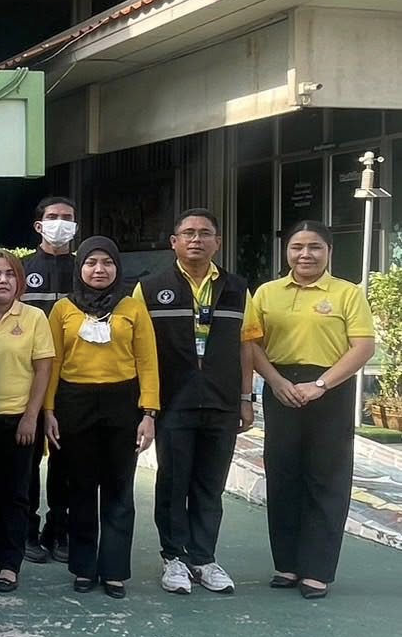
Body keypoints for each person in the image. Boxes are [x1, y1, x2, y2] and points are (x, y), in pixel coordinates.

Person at [136, 208, 261, 596]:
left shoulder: (238, 288)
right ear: (173, 242)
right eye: (188, 233)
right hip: (174, 401)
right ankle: (174, 557)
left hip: (222, 401)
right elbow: (141, 351)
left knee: (210, 484)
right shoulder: (149, 288)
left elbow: (246, 346)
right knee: (174, 482)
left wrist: (246, 398)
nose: (196, 239)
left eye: (205, 233)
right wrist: (147, 407)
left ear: (217, 243)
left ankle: (204, 558)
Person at [248, 221, 375, 600]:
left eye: (315, 247)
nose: (305, 254)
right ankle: (287, 564)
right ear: (286, 252)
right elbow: (251, 344)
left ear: (329, 251)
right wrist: (275, 381)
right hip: (281, 388)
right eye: (297, 247)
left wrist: (320, 385)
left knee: (327, 478)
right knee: (282, 475)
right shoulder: (267, 293)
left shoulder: (347, 294)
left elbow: (363, 347)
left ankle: (317, 571)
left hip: (330, 390)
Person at [45, 237, 159, 598]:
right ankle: (83, 567)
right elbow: (52, 363)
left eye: (107, 263)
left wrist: (149, 412)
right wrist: (48, 410)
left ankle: (113, 570)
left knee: (119, 489)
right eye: (91, 263)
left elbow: (147, 361)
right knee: (79, 488)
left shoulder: (132, 307)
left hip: (122, 403)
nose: (99, 270)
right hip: (73, 402)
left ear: (117, 268)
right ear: (79, 268)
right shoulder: (63, 309)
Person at [0, 250, 53, 594]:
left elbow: (43, 369)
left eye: (9, 274)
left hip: (20, 419)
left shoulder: (34, 317)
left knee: (17, 493)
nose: (2, 280)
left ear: (19, 280)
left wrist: (31, 417)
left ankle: (11, 562)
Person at [21, 195, 78, 565]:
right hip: (26, 382)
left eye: (67, 217)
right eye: (53, 216)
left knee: (66, 461)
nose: (61, 223)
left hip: (72, 383)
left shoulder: (86, 268)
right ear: (39, 225)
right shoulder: (22, 269)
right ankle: (26, 529)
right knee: (25, 461)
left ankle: (59, 528)